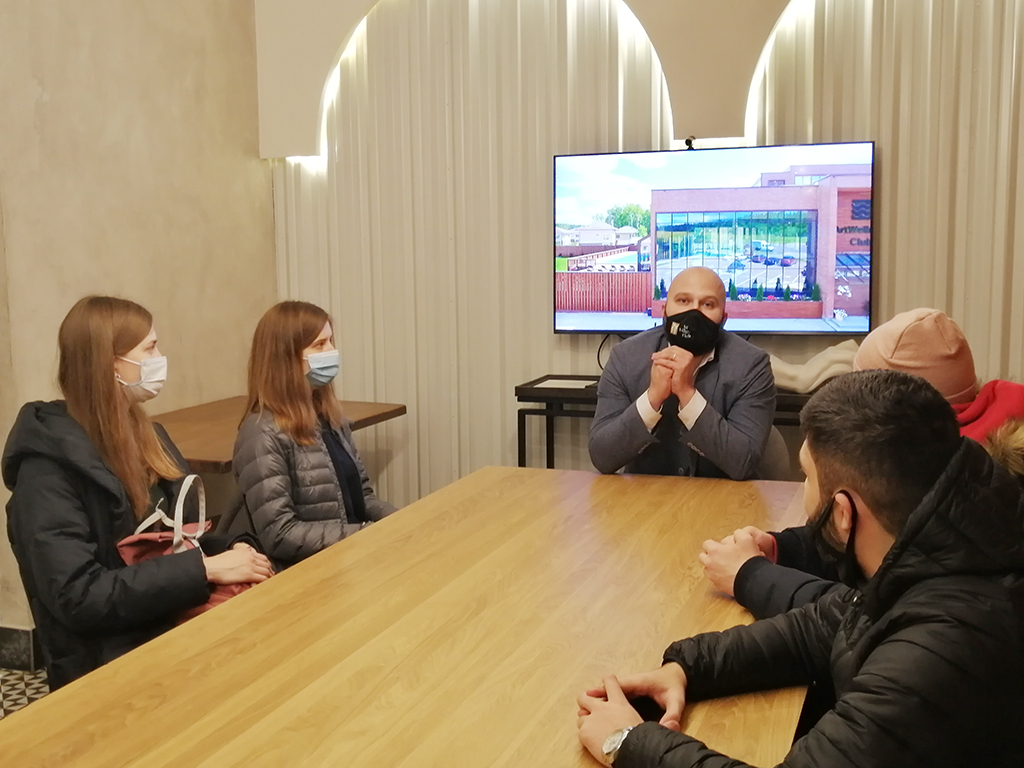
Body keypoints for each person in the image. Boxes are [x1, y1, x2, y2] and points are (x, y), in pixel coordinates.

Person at [575, 370, 1024, 767]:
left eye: (807, 476)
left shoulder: (941, 647)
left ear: (843, 513)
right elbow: (827, 624)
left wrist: (626, 741)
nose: (804, 493)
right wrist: (687, 669)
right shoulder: (948, 546)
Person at [3, 296, 272, 689]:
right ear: (111, 364)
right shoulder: (46, 472)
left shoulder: (148, 436)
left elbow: (173, 539)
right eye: (150, 348)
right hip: (107, 669)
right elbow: (78, 596)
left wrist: (233, 549)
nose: (160, 359)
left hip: (173, 633)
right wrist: (206, 569)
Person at [702, 307, 1024, 618]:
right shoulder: (967, 469)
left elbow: (865, 616)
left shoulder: (956, 499)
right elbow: (867, 550)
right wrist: (783, 549)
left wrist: (751, 578)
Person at [233, 301, 396, 570]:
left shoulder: (330, 418)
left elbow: (362, 496)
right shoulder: (261, 432)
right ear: (286, 357)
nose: (331, 352)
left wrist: (400, 520)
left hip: (350, 557)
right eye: (319, 345)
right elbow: (280, 533)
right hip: (310, 571)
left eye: (331, 341)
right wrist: (366, 534)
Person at [588, 267, 775, 479]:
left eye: (707, 304)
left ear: (723, 318)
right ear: (665, 310)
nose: (694, 312)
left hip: (723, 496)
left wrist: (687, 394)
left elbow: (744, 462)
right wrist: (652, 398)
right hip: (647, 495)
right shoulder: (626, 357)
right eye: (683, 301)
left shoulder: (751, 366)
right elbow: (602, 456)